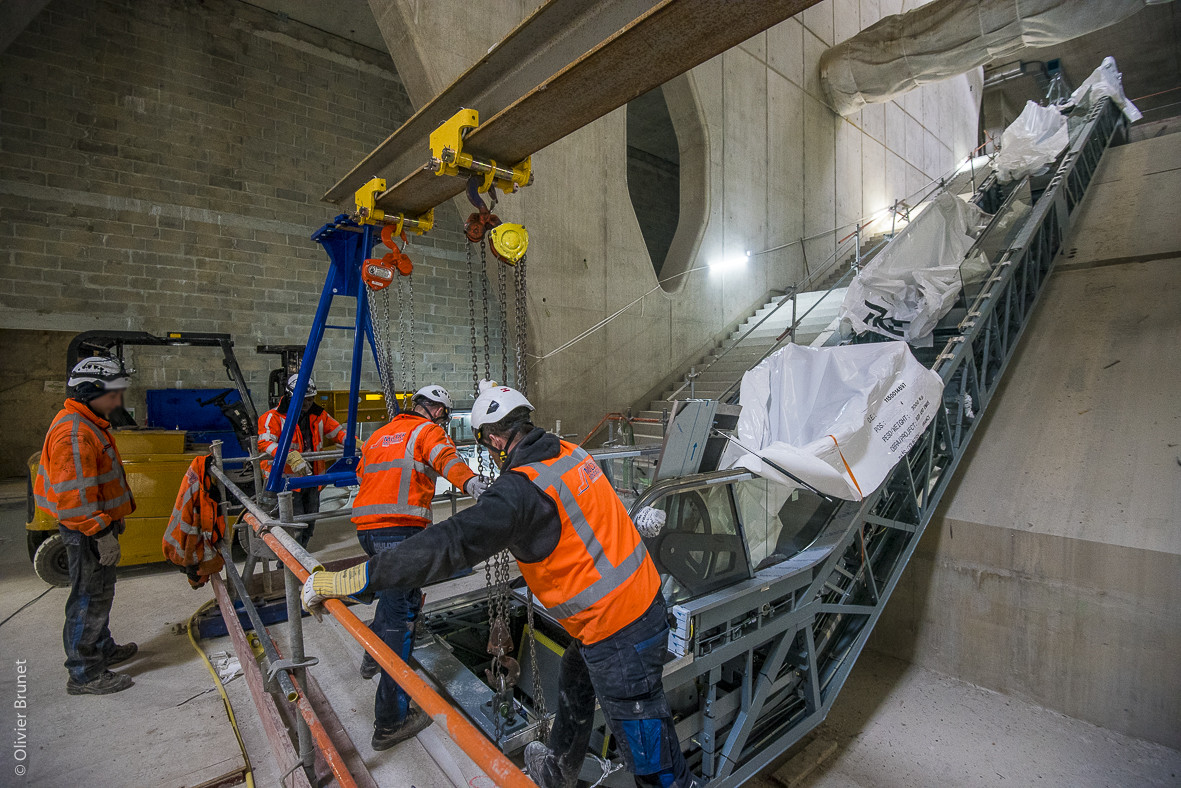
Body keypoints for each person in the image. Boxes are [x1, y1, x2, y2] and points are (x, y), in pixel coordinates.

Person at [303, 382, 691, 787]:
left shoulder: (520, 492)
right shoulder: (568, 452)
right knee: (577, 671)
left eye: (488, 446)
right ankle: (560, 765)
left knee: (651, 756)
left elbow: (448, 544)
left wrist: (357, 578)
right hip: (643, 603)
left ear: (494, 439)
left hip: (618, 633)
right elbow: (588, 509)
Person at [351, 384, 488, 750]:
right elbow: (446, 458)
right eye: (443, 414)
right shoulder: (427, 431)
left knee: (389, 598)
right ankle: (391, 722)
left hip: (367, 529)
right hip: (401, 530)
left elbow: (363, 476)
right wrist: (473, 483)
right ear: (438, 411)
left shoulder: (380, 434)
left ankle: (370, 659)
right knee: (401, 618)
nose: (443, 419)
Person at [34, 357, 139, 695]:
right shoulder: (75, 433)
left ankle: (102, 648)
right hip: (88, 531)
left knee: (100, 592)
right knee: (87, 598)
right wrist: (101, 533)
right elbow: (75, 502)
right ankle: (84, 672)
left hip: (97, 526)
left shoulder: (88, 423)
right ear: (90, 391)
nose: (118, 401)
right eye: (114, 394)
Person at [257, 374, 346, 546]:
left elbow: (337, 432)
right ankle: (288, 565)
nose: (307, 403)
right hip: (287, 482)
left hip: (312, 479)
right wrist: (288, 456)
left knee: (309, 522)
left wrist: (352, 442)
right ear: (291, 397)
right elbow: (264, 442)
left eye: (311, 399)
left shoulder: (318, 415)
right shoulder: (273, 418)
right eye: (304, 400)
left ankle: (301, 553)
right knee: (294, 525)